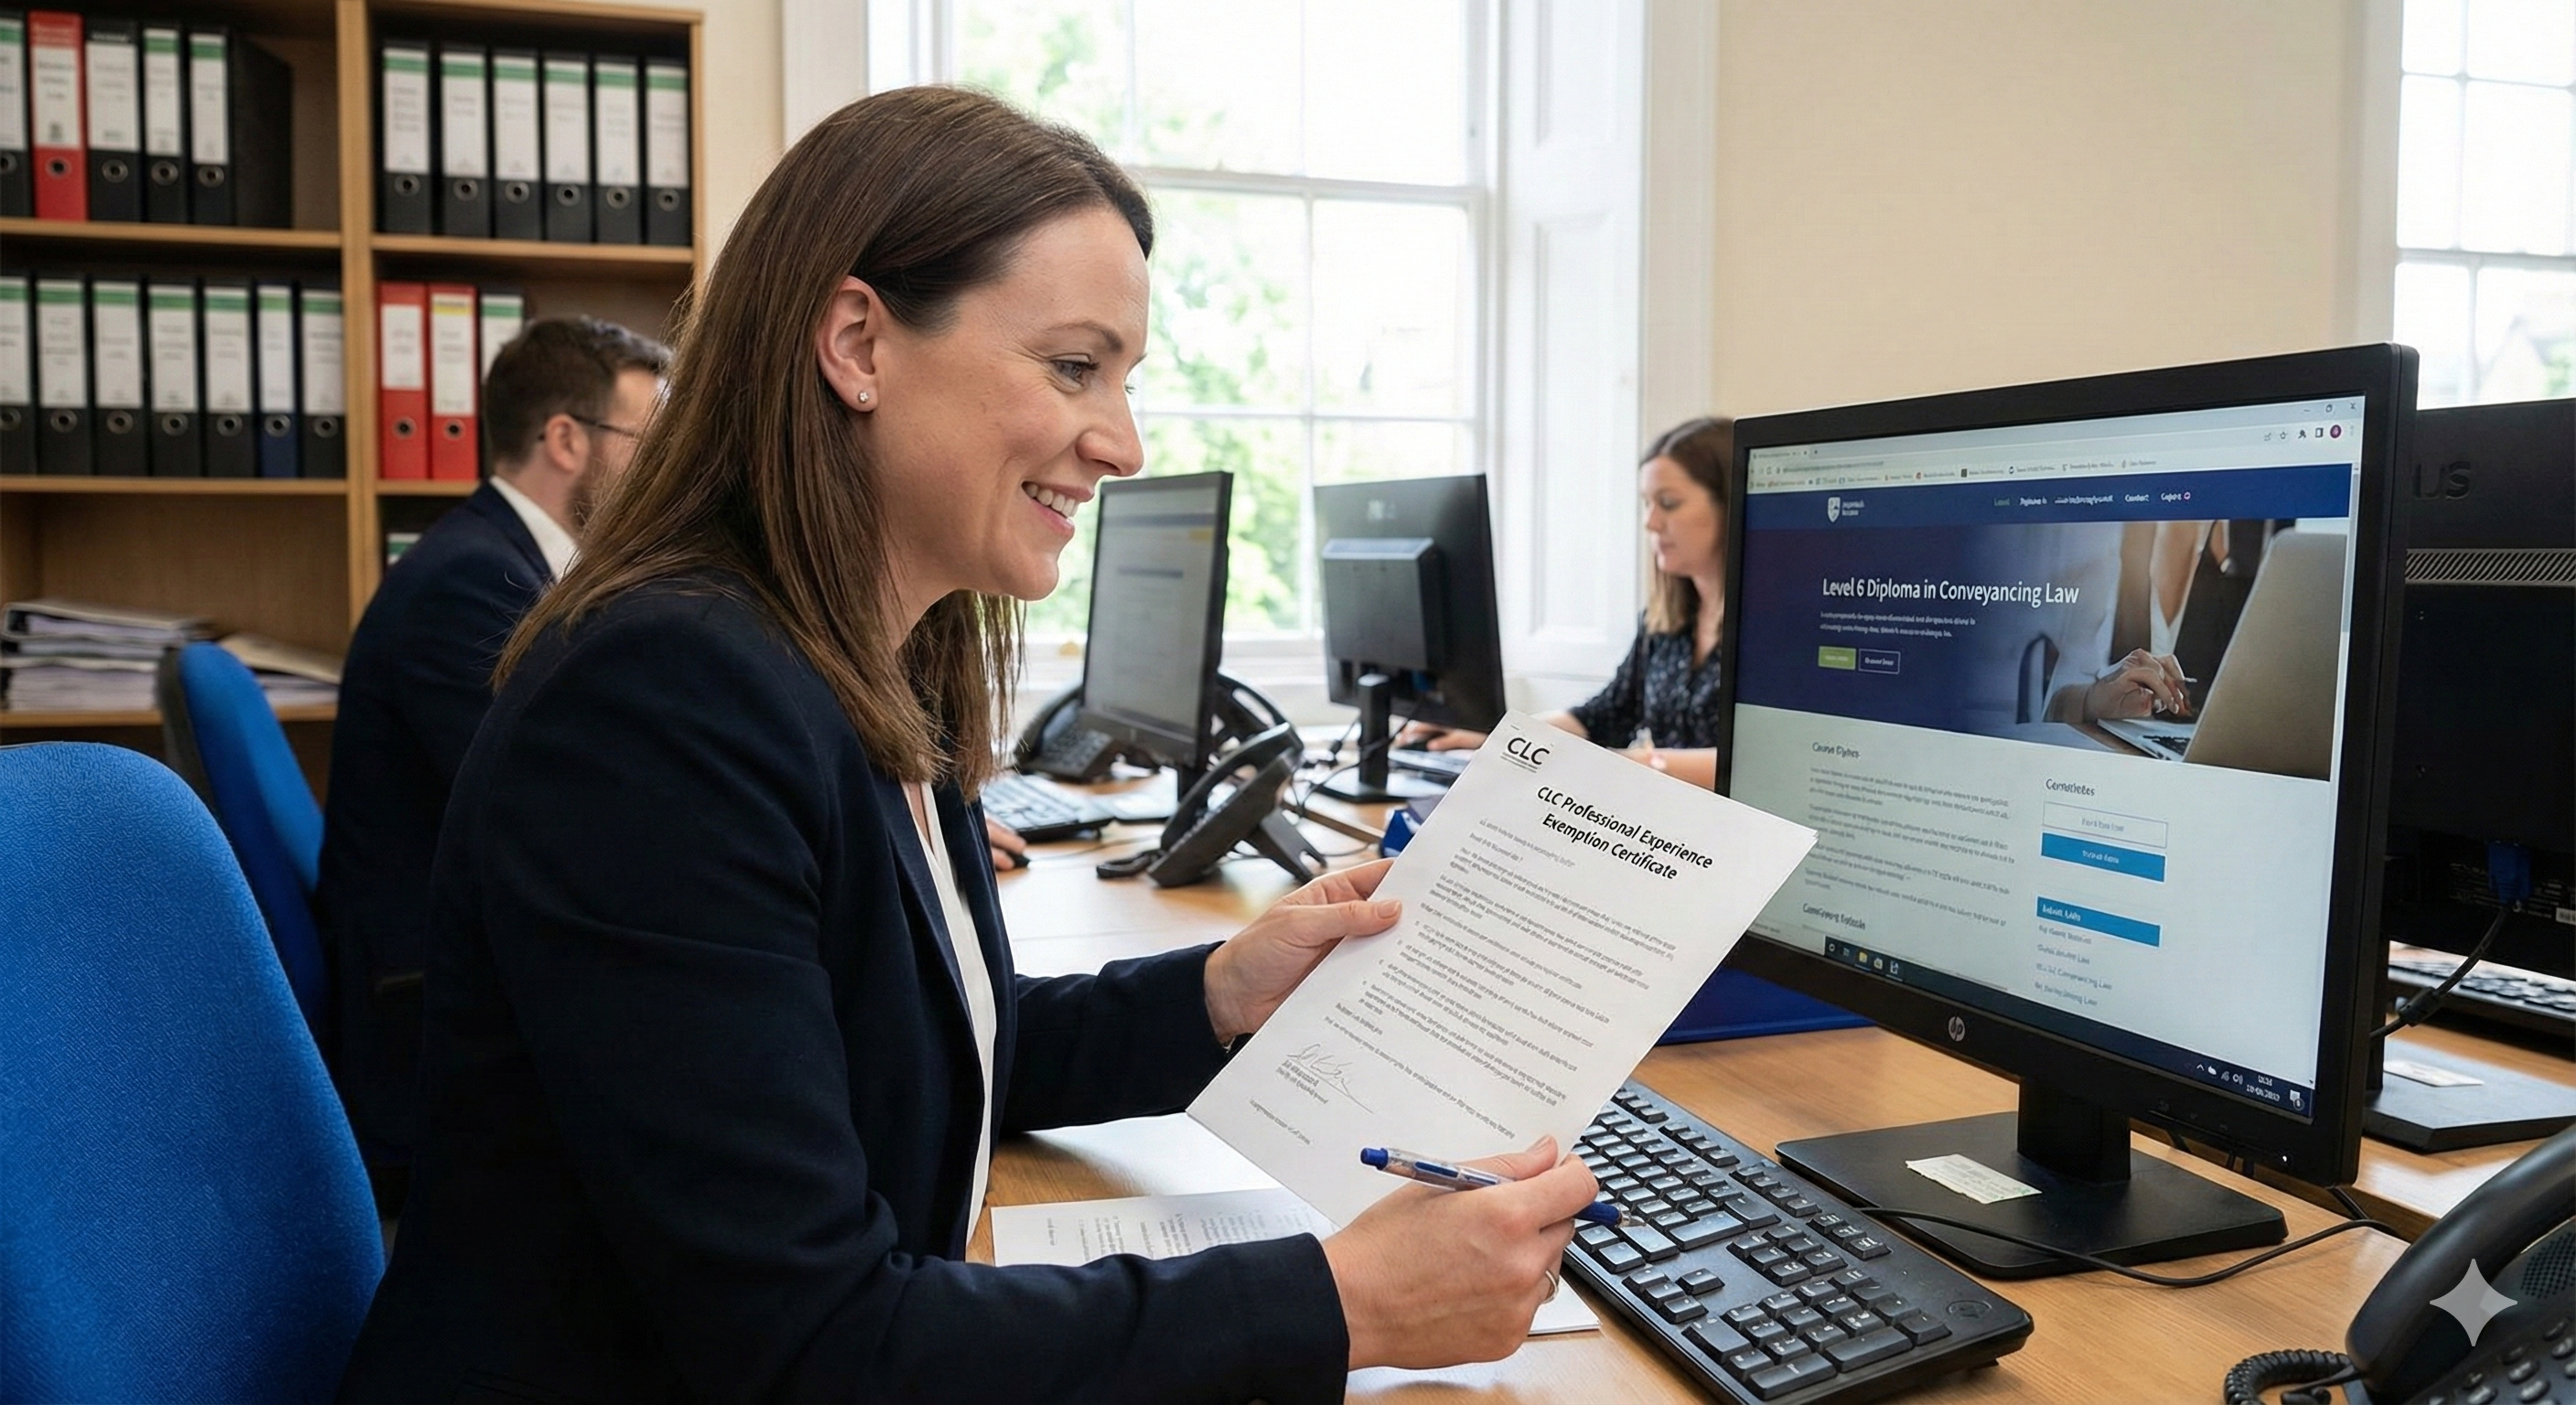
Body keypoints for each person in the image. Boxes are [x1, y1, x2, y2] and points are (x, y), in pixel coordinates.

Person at [338, 87, 1593, 1404]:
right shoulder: (663, 701)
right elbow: (815, 1348)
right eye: (1073, 366)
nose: (1121, 442)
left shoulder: (868, 656)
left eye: (1123, 378)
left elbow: (910, 1050)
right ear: (858, 342)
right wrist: (1344, 1303)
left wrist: (1219, 992)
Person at [313, 316, 668, 1195]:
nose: (665, 467)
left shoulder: (509, 564)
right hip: (431, 1023)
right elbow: (564, 813)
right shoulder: (477, 584)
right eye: (650, 440)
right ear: (565, 440)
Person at [1407, 416, 1738, 788]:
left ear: (1731, 505)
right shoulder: (1665, 623)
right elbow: (1601, 717)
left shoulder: (1780, 628)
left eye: (1668, 503)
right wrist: (1502, 740)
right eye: (1647, 504)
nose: (1651, 522)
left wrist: (1618, 764)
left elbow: (1754, 764)